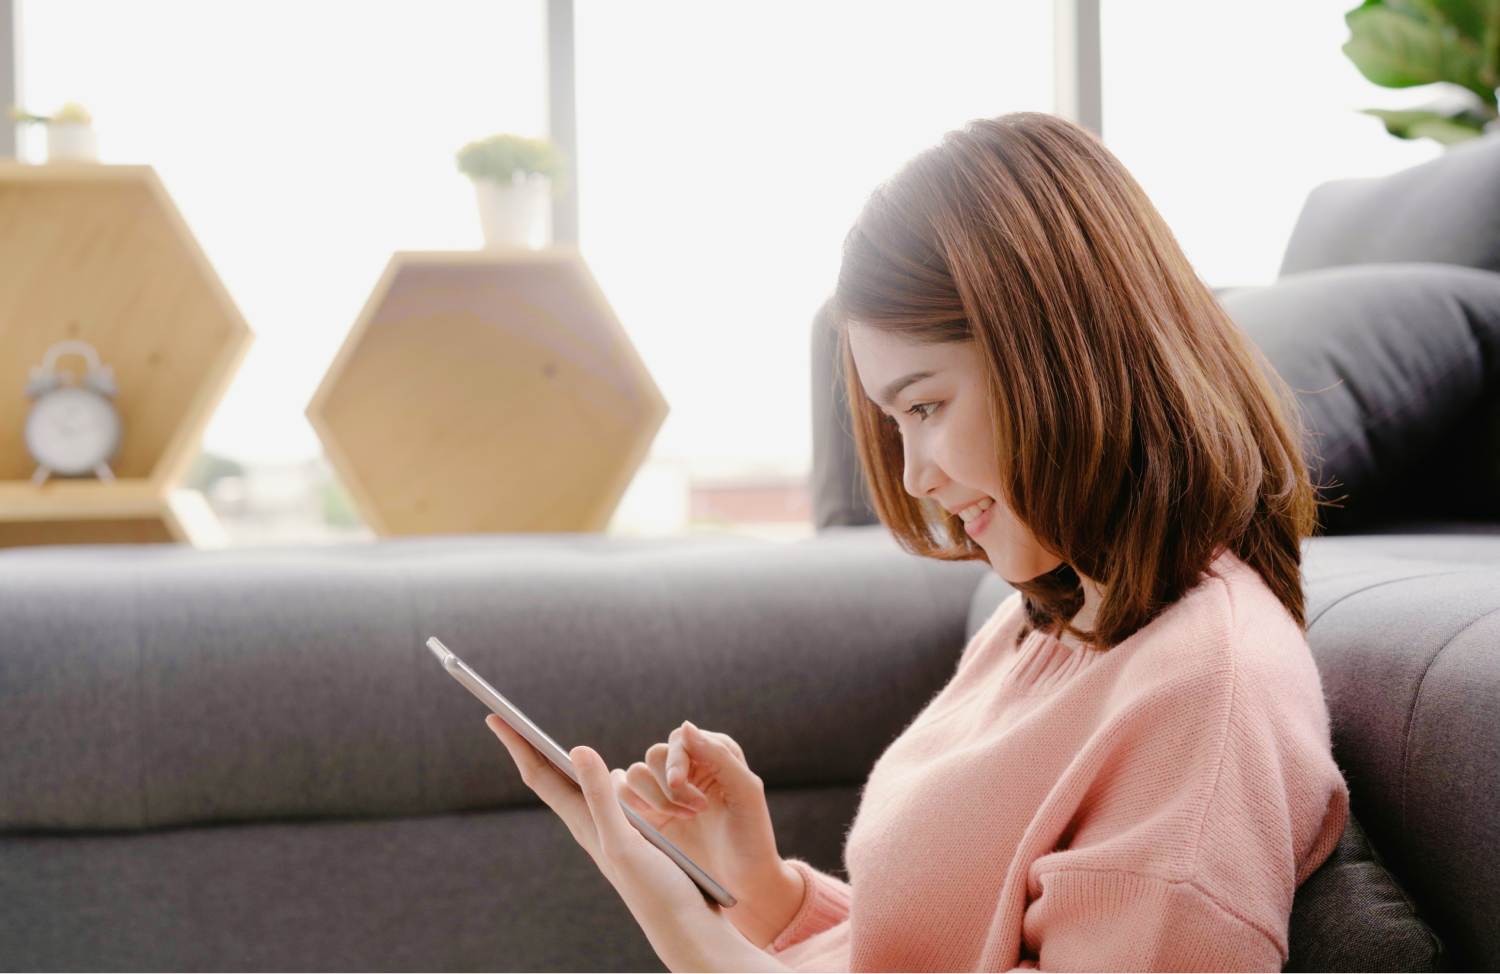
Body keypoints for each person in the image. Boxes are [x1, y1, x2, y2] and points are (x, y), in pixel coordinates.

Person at [486, 112, 1350, 973]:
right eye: (896, 422)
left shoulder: (1202, 699)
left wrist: (694, 940)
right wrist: (764, 894)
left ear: (1064, 355)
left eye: (927, 407)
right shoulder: (1048, 620)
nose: (913, 478)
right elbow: (928, 946)